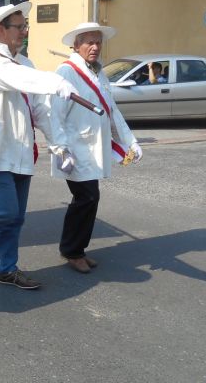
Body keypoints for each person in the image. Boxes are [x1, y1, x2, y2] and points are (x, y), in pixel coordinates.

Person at [0, 2, 77, 290]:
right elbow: (16, 79)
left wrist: (60, 145)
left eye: (26, 26)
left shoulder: (27, 63)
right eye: (19, 27)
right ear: (1, 30)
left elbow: (41, 110)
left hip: (21, 149)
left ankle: (7, 268)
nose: (24, 31)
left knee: (17, 217)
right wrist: (55, 81)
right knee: (7, 210)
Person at [52, 23, 143, 273]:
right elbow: (54, 115)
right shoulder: (66, 72)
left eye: (98, 42)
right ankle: (72, 251)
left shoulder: (99, 73)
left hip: (92, 147)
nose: (94, 47)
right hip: (75, 149)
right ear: (76, 45)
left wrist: (130, 141)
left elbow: (112, 111)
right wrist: (60, 149)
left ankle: (74, 248)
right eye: (89, 42)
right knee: (87, 196)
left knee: (88, 197)